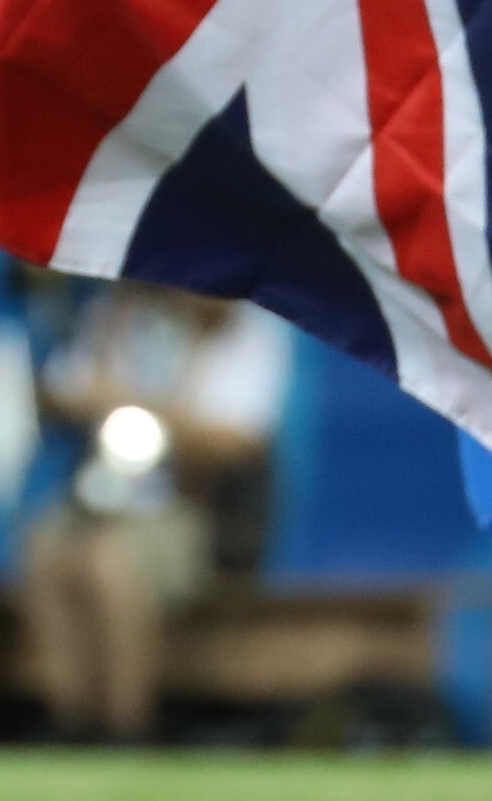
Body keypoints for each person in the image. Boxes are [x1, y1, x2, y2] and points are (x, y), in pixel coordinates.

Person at [19, 283, 292, 744]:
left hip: (189, 514)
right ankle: (71, 727)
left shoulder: (250, 332)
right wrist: (88, 398)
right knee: (45, 550)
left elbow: (245, 440)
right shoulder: (122, 319)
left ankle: (126, 732)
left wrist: (150, 412)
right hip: (101, 499)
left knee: (109, 566)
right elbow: (62, 388)